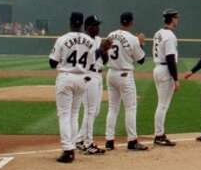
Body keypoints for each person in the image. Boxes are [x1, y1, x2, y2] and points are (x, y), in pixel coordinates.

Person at [50, 11, 107, 163]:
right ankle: (72, 147)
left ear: (70, 22)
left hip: (66, 78)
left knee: (64, 115)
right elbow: (93, 62)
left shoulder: (62, 39)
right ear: (82, 24)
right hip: (82, 79)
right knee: (74, 114)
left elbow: (52, 63)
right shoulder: (89, 40)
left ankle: (67, 150)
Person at [104, 11, 148, 151]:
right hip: (124, 75)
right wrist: (140, 43)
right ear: (131, 22)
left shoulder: (110, 35)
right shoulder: (132, 38)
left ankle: (109, 141)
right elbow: (141, 60)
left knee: (112, 108)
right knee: (130, 108)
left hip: (111, 73)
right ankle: (132, 140)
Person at [74, 15, 107, 155]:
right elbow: (89, 59)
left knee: (96, 111)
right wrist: (101, 49)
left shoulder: (99, 40)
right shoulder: (82, 41)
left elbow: (104, 60)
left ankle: (80, 140)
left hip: (98, 76)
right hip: (88, 76)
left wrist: (105, 49)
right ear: (88, 27)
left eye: (98, 25)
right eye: (95, 25)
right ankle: (88, 143)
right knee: (90, 111)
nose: (98, 27)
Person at [151, 9, 181, 146]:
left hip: (157, 68)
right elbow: (170, 58)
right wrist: (176, 79)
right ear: (172, 19)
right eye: (176, 18)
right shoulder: (170, 36)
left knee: (161, 104)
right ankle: (159, 135)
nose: (177, 20)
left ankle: (159, 133)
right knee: (163, 105)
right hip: (165, 70)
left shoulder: (158, 33)